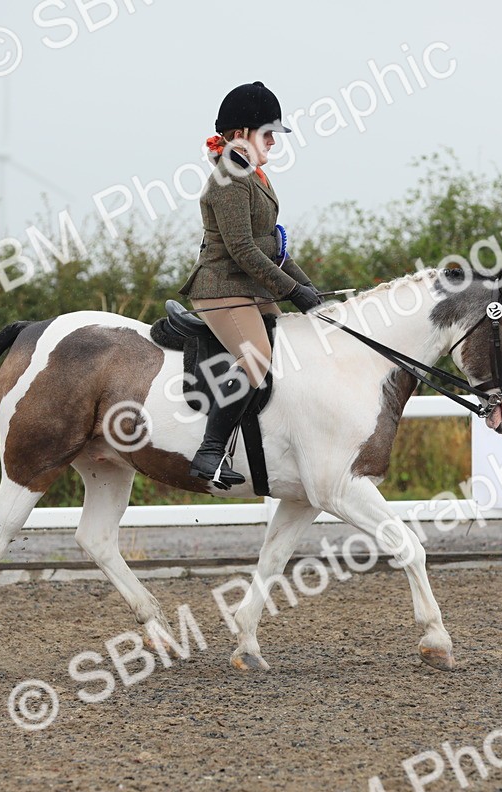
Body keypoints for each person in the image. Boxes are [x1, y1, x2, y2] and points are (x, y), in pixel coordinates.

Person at [178, 81, 322, 488]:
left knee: (292, 350)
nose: (274, 143)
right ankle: (210, 451)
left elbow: (271, 245)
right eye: (268, 134)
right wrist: (292, 292)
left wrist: (309, 291)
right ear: (241, 134)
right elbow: (241, 249)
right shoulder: (228, 178)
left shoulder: (251, 175)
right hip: (221, 288)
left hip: (249, 291)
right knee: (257, 358)